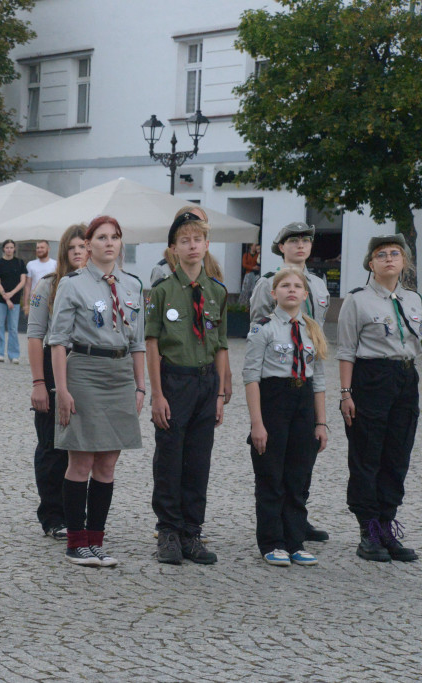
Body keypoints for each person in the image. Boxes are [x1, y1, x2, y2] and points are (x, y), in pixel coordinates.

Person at [50, 217, 145, 567]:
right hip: (85, 371)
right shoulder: (72, 285)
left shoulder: (132, 285)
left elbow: (138, 343)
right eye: (102, 237)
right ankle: (76, 541)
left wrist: (140, 386)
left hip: (120, 374)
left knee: (108, 461)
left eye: (115, 237)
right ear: (88, 245)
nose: (110, 243)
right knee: (82, 458)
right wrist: (62, 389)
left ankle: (96, 540)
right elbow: (57, 341)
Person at [145, 211, 229, 566]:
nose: (192, 246)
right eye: (184, 241)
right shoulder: (162, 292)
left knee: (198, 459)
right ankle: (168, 531)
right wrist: (158, 394)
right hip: (174, 380)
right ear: (173, 250)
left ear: (207, 245)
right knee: (170, 457)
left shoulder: (217, 291)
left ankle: (191, 532)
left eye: (198, 240)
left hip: (206, 382)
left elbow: (221, 343)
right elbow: (151, 343)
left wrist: (222, 392)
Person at [338, 234, 421, 563]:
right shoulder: (357, 300)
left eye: (395, 254)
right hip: (371, 378)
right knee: (367, 454)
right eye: (381, 255)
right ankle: (368, 530)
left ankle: (386, 525)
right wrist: (346, 393)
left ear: (404, 262)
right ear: (370, 264)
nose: (389, 259)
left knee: (397, 454)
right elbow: (346, 351)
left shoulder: (414, 300)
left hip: (404, 377)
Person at [249, 221, 331, 542]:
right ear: (280, 246)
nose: (300, 245)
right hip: (277, 376)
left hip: (309, 374)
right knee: (276, 454)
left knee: (304, 450)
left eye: (305, 240)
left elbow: (319, 333)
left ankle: (297, 516)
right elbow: (258, 324)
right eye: (293, 240)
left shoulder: (319, 286)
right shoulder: (268, 283)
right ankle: (275, 523)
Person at [26, 224, 88, 540]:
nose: (78, 252)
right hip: (53, 370)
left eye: (82, 246)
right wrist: (39, 382)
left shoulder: (100, 284)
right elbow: (36, 337)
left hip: (88, 371)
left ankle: (78, 512)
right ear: (64, 252)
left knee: (84, 447)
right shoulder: (48, 286)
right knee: (53, 446)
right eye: (72, 247)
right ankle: (53, 514)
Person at [150, 207, 207, 287]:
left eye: (202, 222)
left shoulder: (213, 266)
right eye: (185, 241)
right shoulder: (162, 269)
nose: (193, 246)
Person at [0, 239, 27, 363]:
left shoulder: (20, 263)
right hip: (0, 300)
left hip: (15, 299)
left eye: (11, 247)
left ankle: (14, 354)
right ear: (3, 249)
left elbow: (23, 281)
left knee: (13, 327)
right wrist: (6, 296)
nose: (9, 250)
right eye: (7, 247)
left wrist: (12, 294)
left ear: (14, 249)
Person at [23, 239, 57, 315]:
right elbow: (27, 285)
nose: (39, 250)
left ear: (48, 249)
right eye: (37, 248)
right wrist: (25, 304)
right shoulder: (30, 264)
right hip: (35, 297)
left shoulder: (55, 264)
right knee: (35, 322)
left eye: (42, 247)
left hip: (50, 298)